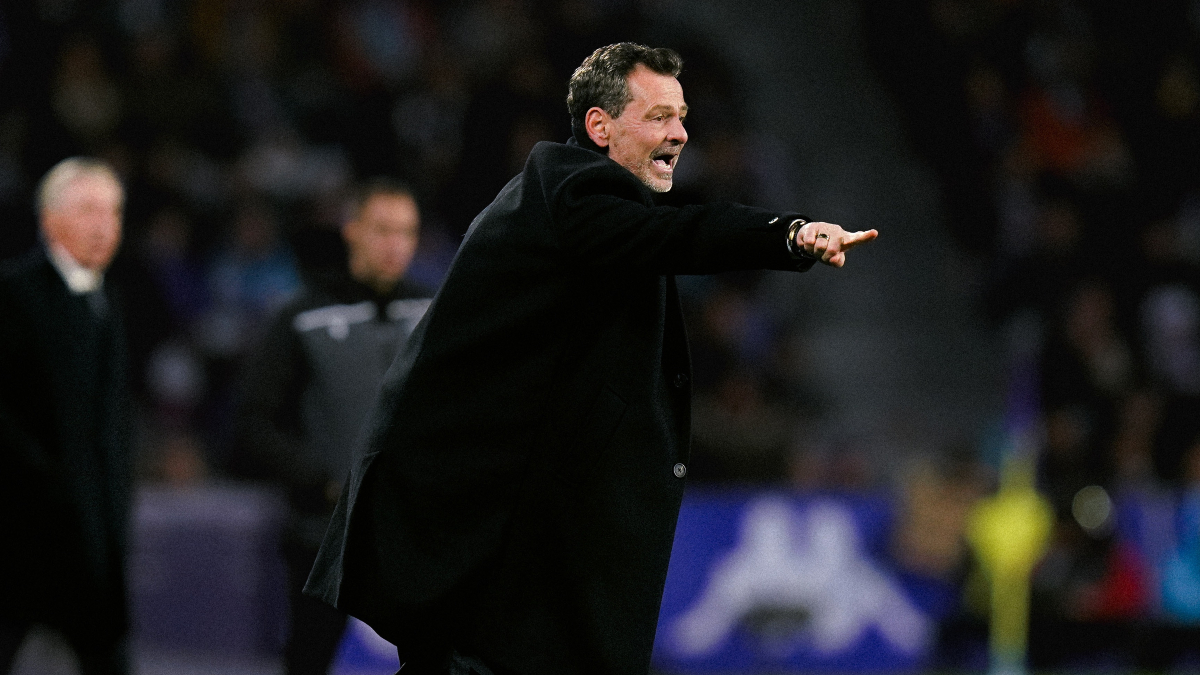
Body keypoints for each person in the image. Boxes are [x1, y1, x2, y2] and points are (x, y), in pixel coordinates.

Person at [305, 43, 877, 675]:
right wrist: (789, 235)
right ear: (600, 127)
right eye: (659, 116)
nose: (680, 133)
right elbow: (679, 233)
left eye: (682, 116)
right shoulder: (570, 191)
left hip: (497, 521)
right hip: (465, 523)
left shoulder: (581, 211)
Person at [236, 179, 431, 675]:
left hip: (412, 534)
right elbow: (254, 421)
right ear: (353, 231)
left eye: (407, 232)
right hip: (322, 537)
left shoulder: (434, 311)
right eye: (383, 230)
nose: (396, 245)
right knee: (309, 658)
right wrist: (321, 483)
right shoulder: (303, 317)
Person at [0, 158, 132, 675]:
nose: (104, 226)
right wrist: (43, 483)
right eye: (89, 211)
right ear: (49, 220)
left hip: (93, 532)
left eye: (113, 212)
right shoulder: (13, 294)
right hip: (23, 532)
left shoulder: (106, 297)